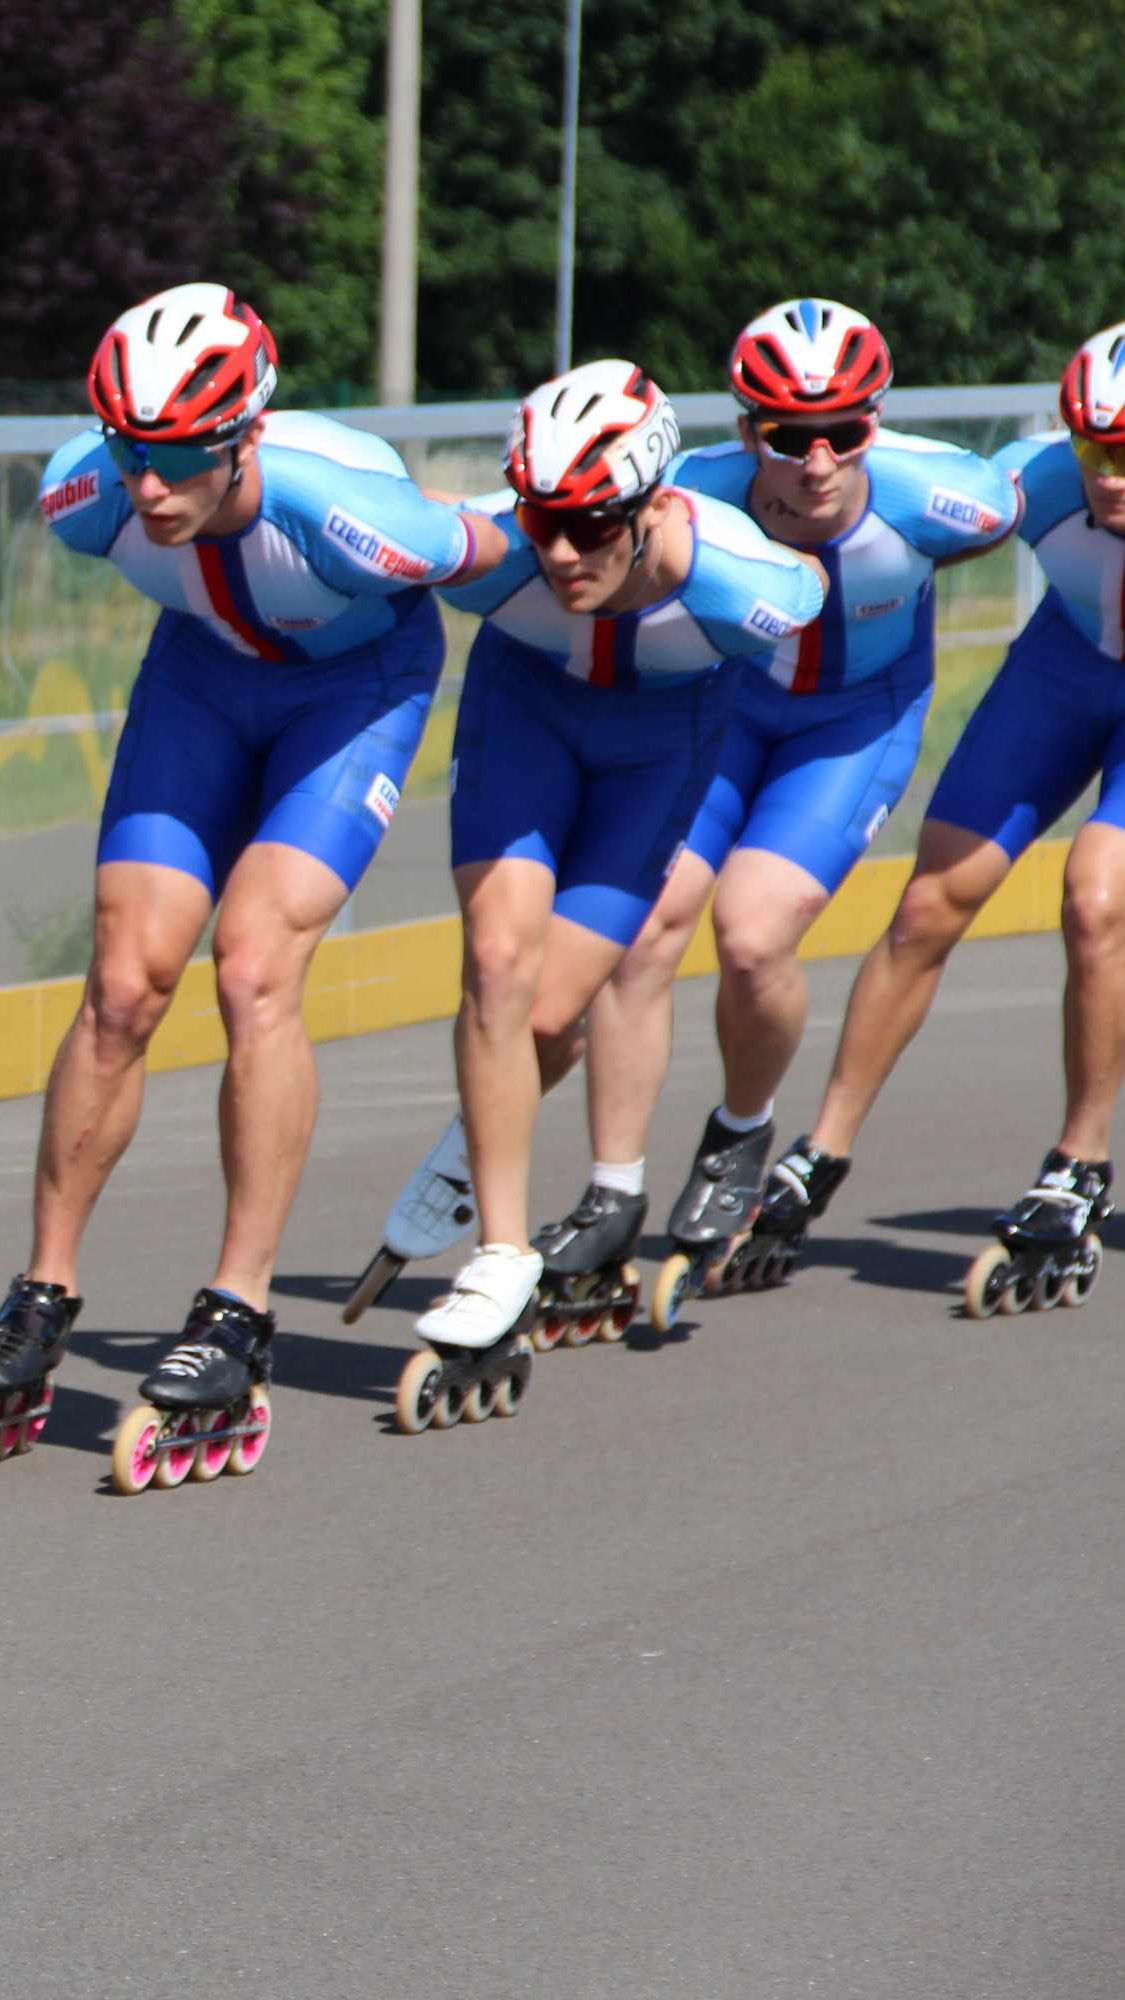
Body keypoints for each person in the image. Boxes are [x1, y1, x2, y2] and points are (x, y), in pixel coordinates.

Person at [0, 281, 504, 1477]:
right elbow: (117, 488)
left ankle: (237, 1305)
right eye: (127, 451)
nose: (147, 486)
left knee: (251, 968)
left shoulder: (353, 517)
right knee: (121, 983)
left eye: (176, 457)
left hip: (348, 696)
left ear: (244, 435)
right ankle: (43, 1287)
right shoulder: (83, 498)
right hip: (201, 679)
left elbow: (493, 547)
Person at [562, 301, 1013, 1315]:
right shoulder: (688, 495)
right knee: (639, 932)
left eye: (843, 433)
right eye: (786, 436)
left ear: (874, 423)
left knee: (751, 936)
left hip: (850, 728)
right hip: (723, 714)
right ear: (743, 431)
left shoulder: (949, 500)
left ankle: (740, 1130)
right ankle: (611, 1191)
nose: (816, 462)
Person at [408, 361, 825, 1378]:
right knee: (497, 964)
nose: (559, 551)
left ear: (652, 508)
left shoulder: (738, 581)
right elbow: (390, 525)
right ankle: (500, 1255)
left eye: (592, 525)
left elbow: (809, 590)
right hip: (527, 711)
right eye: (541, 520)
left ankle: (486, 1122)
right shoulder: (494, 553)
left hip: (659, 744)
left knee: (551, 1016)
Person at [759, 323, 1125, 1313]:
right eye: (1092, 448)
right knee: (928, 905)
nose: (1107, 477)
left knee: (1095, 898)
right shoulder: (1033, 482)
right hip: (1063, 670)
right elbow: (899, 514)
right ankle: (821, 1150)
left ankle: (1078, 1163)